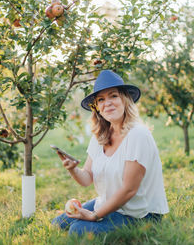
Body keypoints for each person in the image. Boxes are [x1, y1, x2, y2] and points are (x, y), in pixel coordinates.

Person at [52, 69, 169, 236]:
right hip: (111, 204)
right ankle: (102, 215)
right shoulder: (100, 136)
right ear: (97, 108)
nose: (107, 103)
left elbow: (130, 189)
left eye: (113, 96)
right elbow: (86, 178)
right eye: (101, 99)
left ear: (125, 99)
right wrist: (73, 169)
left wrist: (94, 215)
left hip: (140, 214)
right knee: (60, 223)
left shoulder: (138, 134)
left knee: (76, 230)